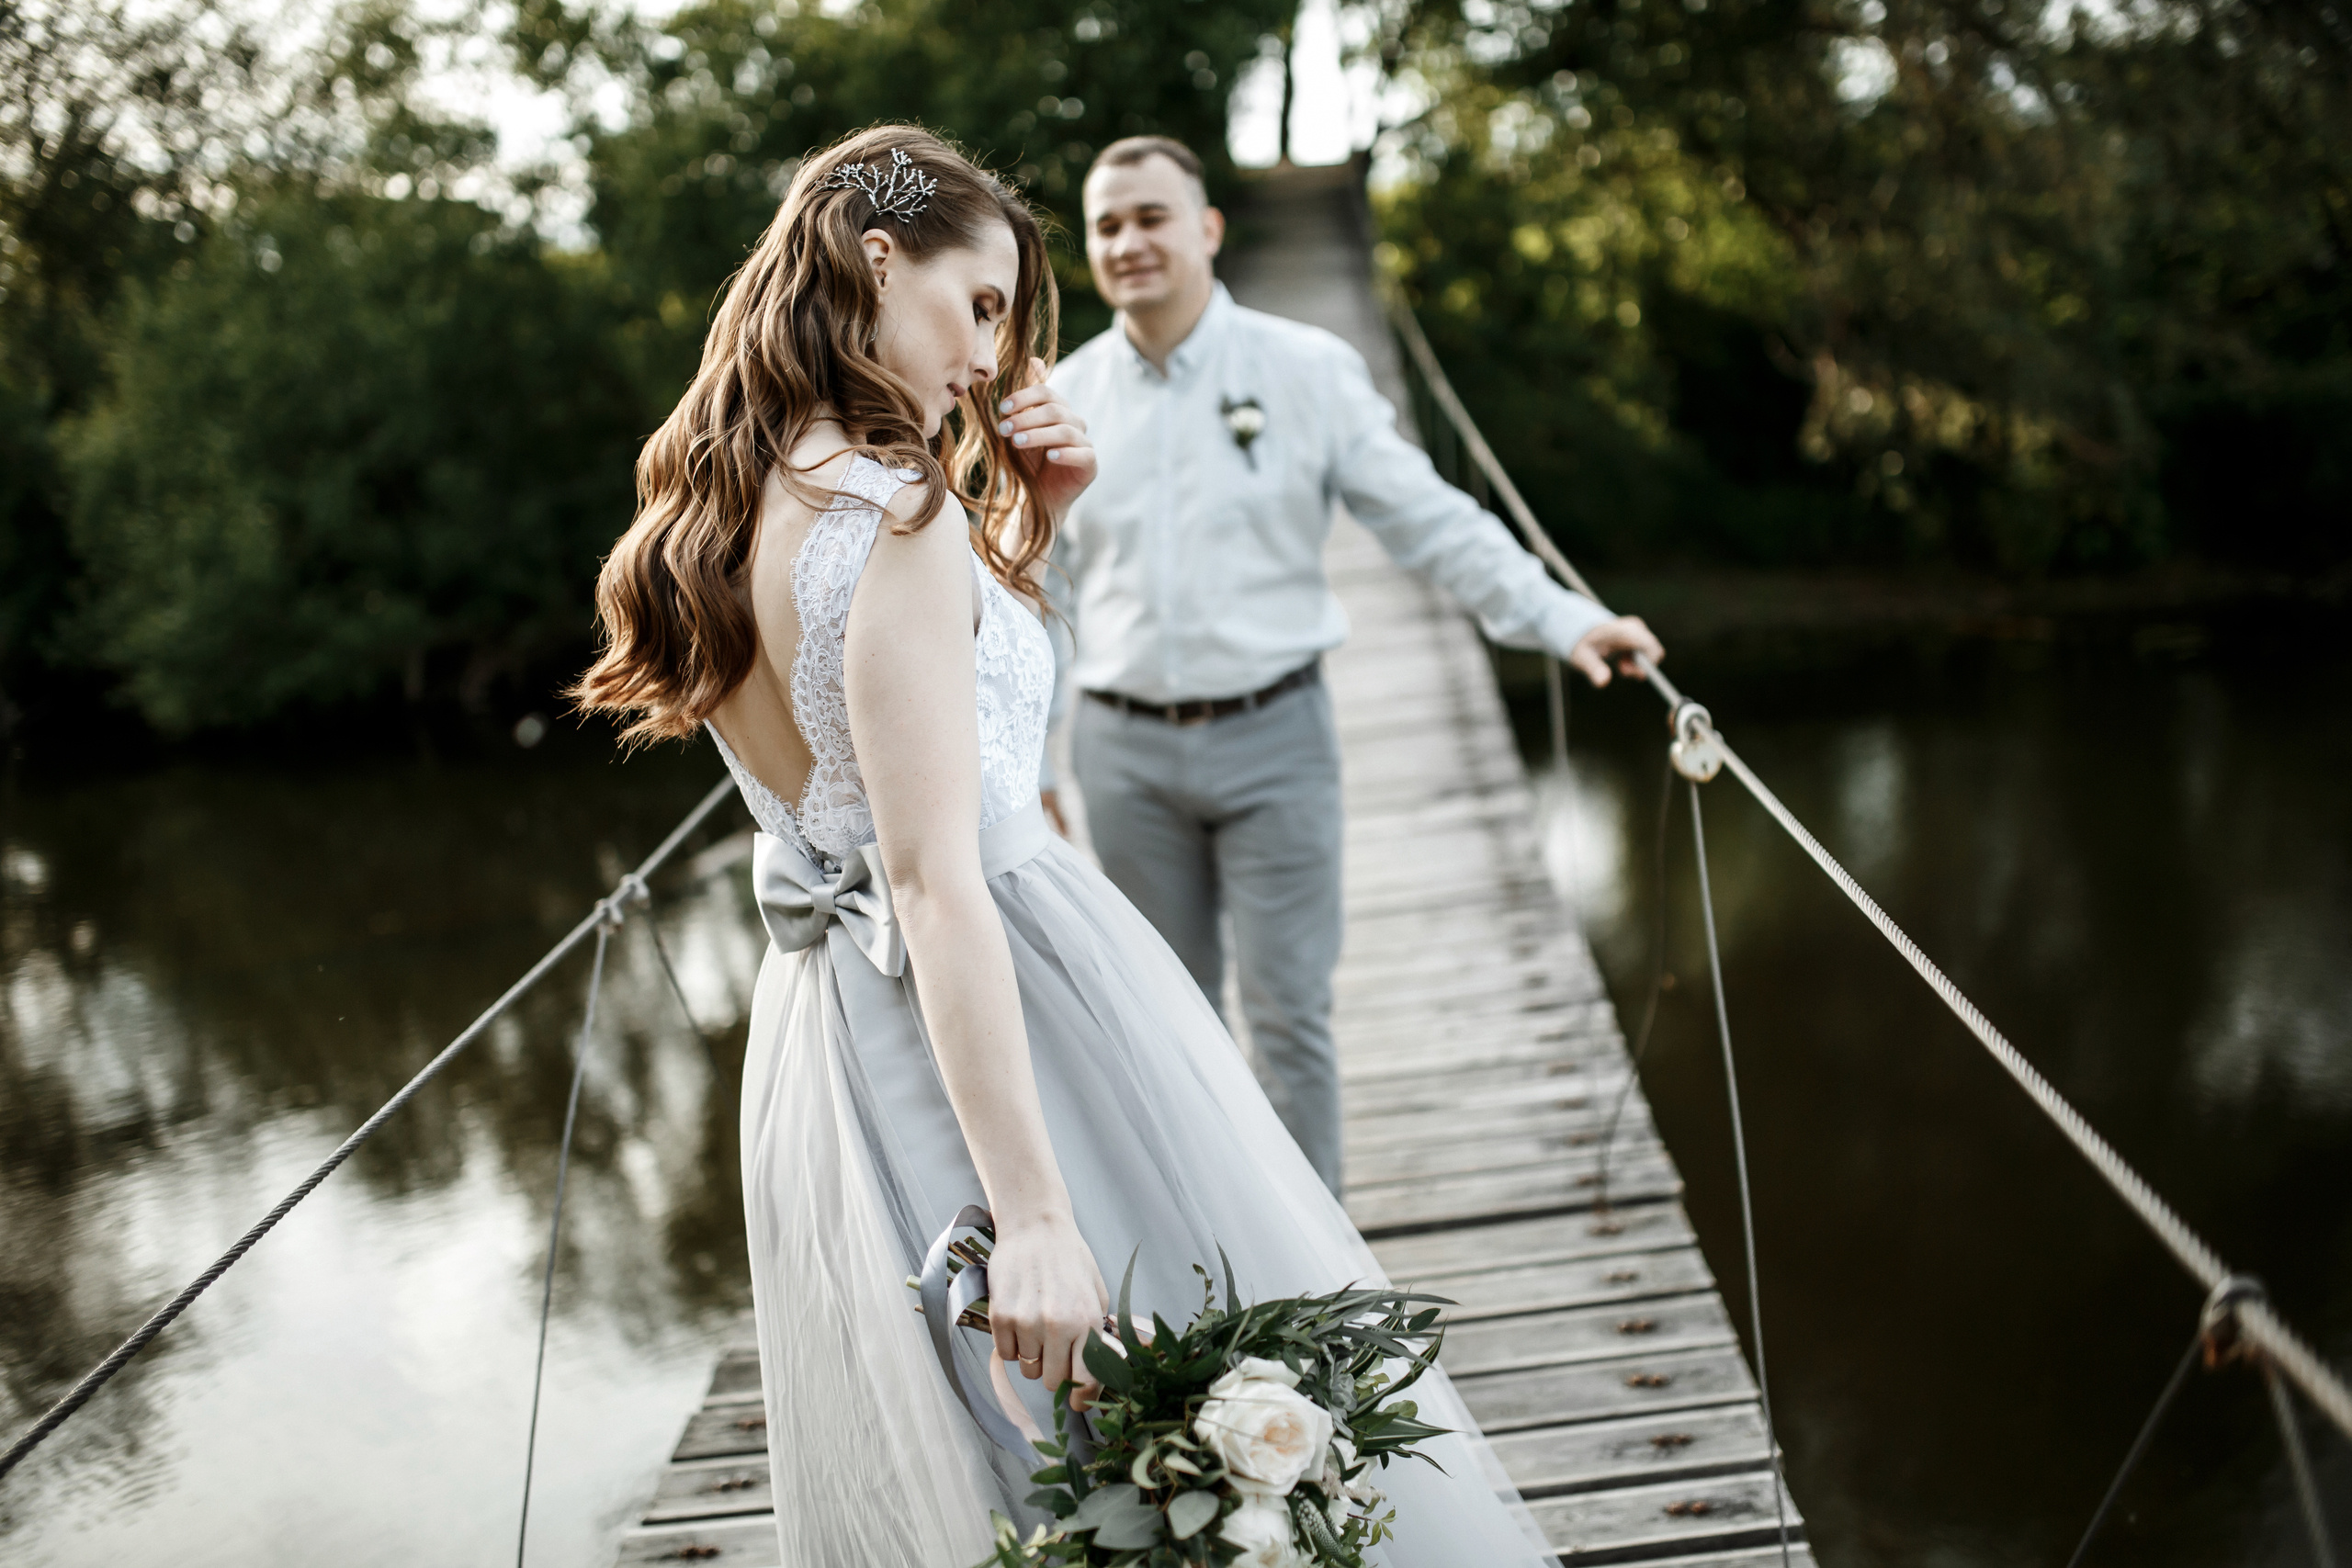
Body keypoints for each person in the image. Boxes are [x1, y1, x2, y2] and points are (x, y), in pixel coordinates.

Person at [571, 126, 1555, 1567]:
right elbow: (927, 869)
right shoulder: (894, 517)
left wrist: (1024, 535)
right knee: (1138, 1401)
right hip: (1005, 994)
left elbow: (881, 754)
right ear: (875, 259)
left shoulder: (714, 513)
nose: (990, 359)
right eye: (979, 308)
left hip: (834, 1033)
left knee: (986, 1448)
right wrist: (1033, 1212)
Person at [1049, 137, 1666, 1196]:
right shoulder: (1062, 398)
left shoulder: (1307, 371)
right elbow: (1038, 600)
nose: (1127, 242)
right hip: (1121, 757)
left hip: (1275, 742)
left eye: (1151, 217)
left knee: (1291, 1017)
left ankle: (1319, 1288)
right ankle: (1207, 1264)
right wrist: (1037, 768)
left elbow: (1431, 521)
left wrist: (1565, 620)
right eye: (1107, 225)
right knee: (1163, 1028)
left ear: (1206, 229)